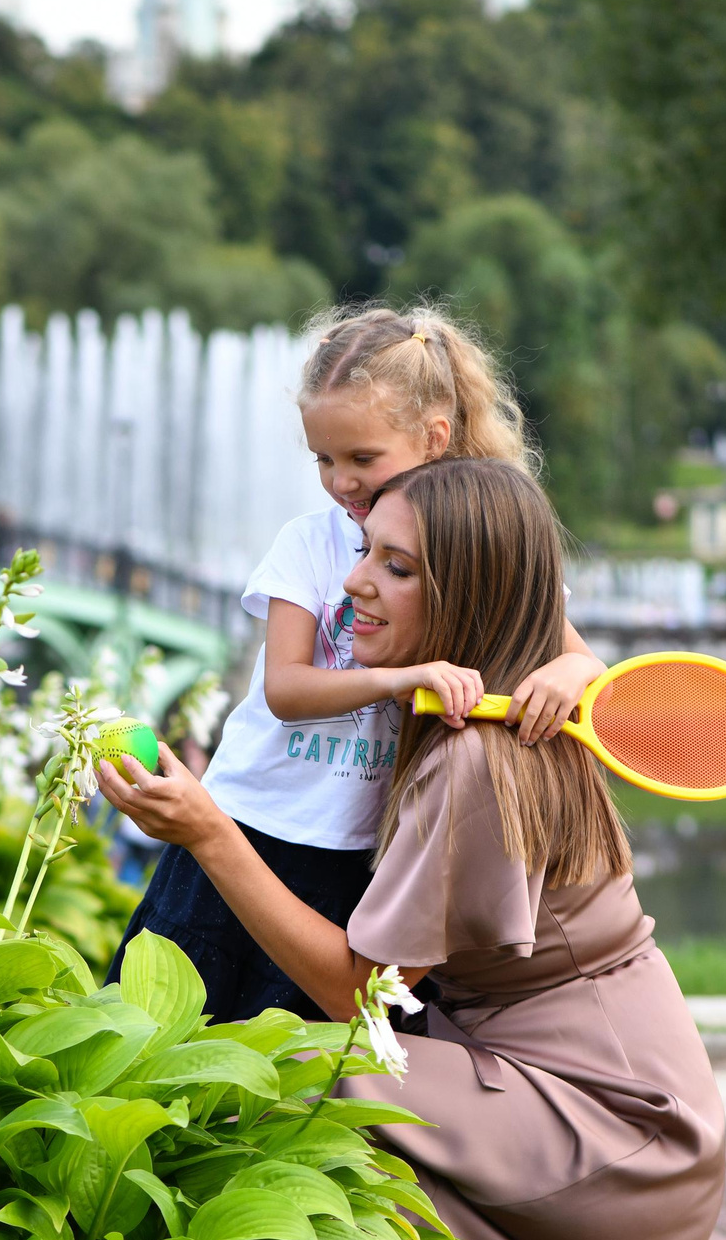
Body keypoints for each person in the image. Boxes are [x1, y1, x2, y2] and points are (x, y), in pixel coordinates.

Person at [98, 457, 725, 1240]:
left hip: (613, 1127)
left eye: (397, 566)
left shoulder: (479, 762)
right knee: (311, 1065)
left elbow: (356, 992)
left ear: (466, 599)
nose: (353, 582)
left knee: (299, 1064)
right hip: (574, 1094)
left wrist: (208, 832)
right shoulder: (469, 712)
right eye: (363, 551)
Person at [111, 305, 606, 1021]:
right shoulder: (310, 545)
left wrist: (565, 677)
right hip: (253, 823)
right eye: (323, 459)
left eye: (362, 458)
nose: (340, 481)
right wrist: (399, 680)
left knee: (305, 1059)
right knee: (168, 1030)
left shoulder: (477, 552)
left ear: (435, 438)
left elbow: (580, 660)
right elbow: (284, 687)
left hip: (363, 854)